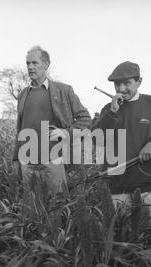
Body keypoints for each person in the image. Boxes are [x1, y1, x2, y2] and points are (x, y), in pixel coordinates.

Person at [92, 61, 151, 214]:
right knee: (121, 232)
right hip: (117, 185)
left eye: (127, 83)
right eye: (117, 85)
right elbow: (97, 140)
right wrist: (112, 112)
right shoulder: (108, 109)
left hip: (150, 185)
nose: (121, 89)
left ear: (139, 82)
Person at [12, 46, 91, 197]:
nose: (30, 67)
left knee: (57, 208)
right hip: (27, 164)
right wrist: (16, 159)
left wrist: (65, 132)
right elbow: (20, 129)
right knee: (32, 209)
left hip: (54, 161)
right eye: (28, 63)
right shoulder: (23, 94)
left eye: (35, 63)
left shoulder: (63, 91)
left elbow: (85, 119)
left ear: (46, 64)